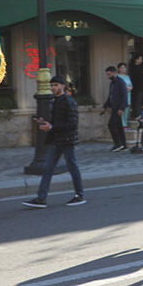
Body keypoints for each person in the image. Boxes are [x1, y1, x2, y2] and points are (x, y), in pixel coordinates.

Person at [22, 76, 86, 208]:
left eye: (56, 85)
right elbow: (57, 122)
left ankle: (79, 195)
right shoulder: (55, 101)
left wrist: (51, 127)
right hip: (56, 140)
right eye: (52, 85)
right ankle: (41, 198)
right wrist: (45, 123)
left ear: (63, 86)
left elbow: (72, 124)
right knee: (47, 169)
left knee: (73, 167)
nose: (53, 88)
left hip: (67, 140)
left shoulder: (69, 102)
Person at [102, 65, 129, 152]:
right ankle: (123, 145)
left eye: (109, 74)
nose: (108, 76)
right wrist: (105, 106)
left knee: (111, 125)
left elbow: (124, 96)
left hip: (118, 108)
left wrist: (122, 108)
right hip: (114, 107)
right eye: (107, 74)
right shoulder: (112, 83)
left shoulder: (120, 82)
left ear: (114, 73)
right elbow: (110, 96)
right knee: (119, 126)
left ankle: (118, 144)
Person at [129, 53, 143, 119]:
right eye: (140, 59)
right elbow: (139, 76)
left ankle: (138, 114)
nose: (141, 60)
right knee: (137, 101)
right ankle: (137, 115)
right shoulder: (134, 67)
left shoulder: (139, 67)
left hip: (140, 87)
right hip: (136, 87)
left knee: (139, 100)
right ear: (136, 60)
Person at [117, 61, 133, 129]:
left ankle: (125, 124)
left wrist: (130, 88)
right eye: (122, 68)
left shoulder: (127, 76)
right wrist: (126, 88)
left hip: (128, 95)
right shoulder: (117, 76)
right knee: (122, 111)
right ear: (119, 69)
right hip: (121, 96)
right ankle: (122, 125)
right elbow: (119, 85)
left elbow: (131, 85)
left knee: (126, 111)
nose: (123, 69)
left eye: (124, 68)